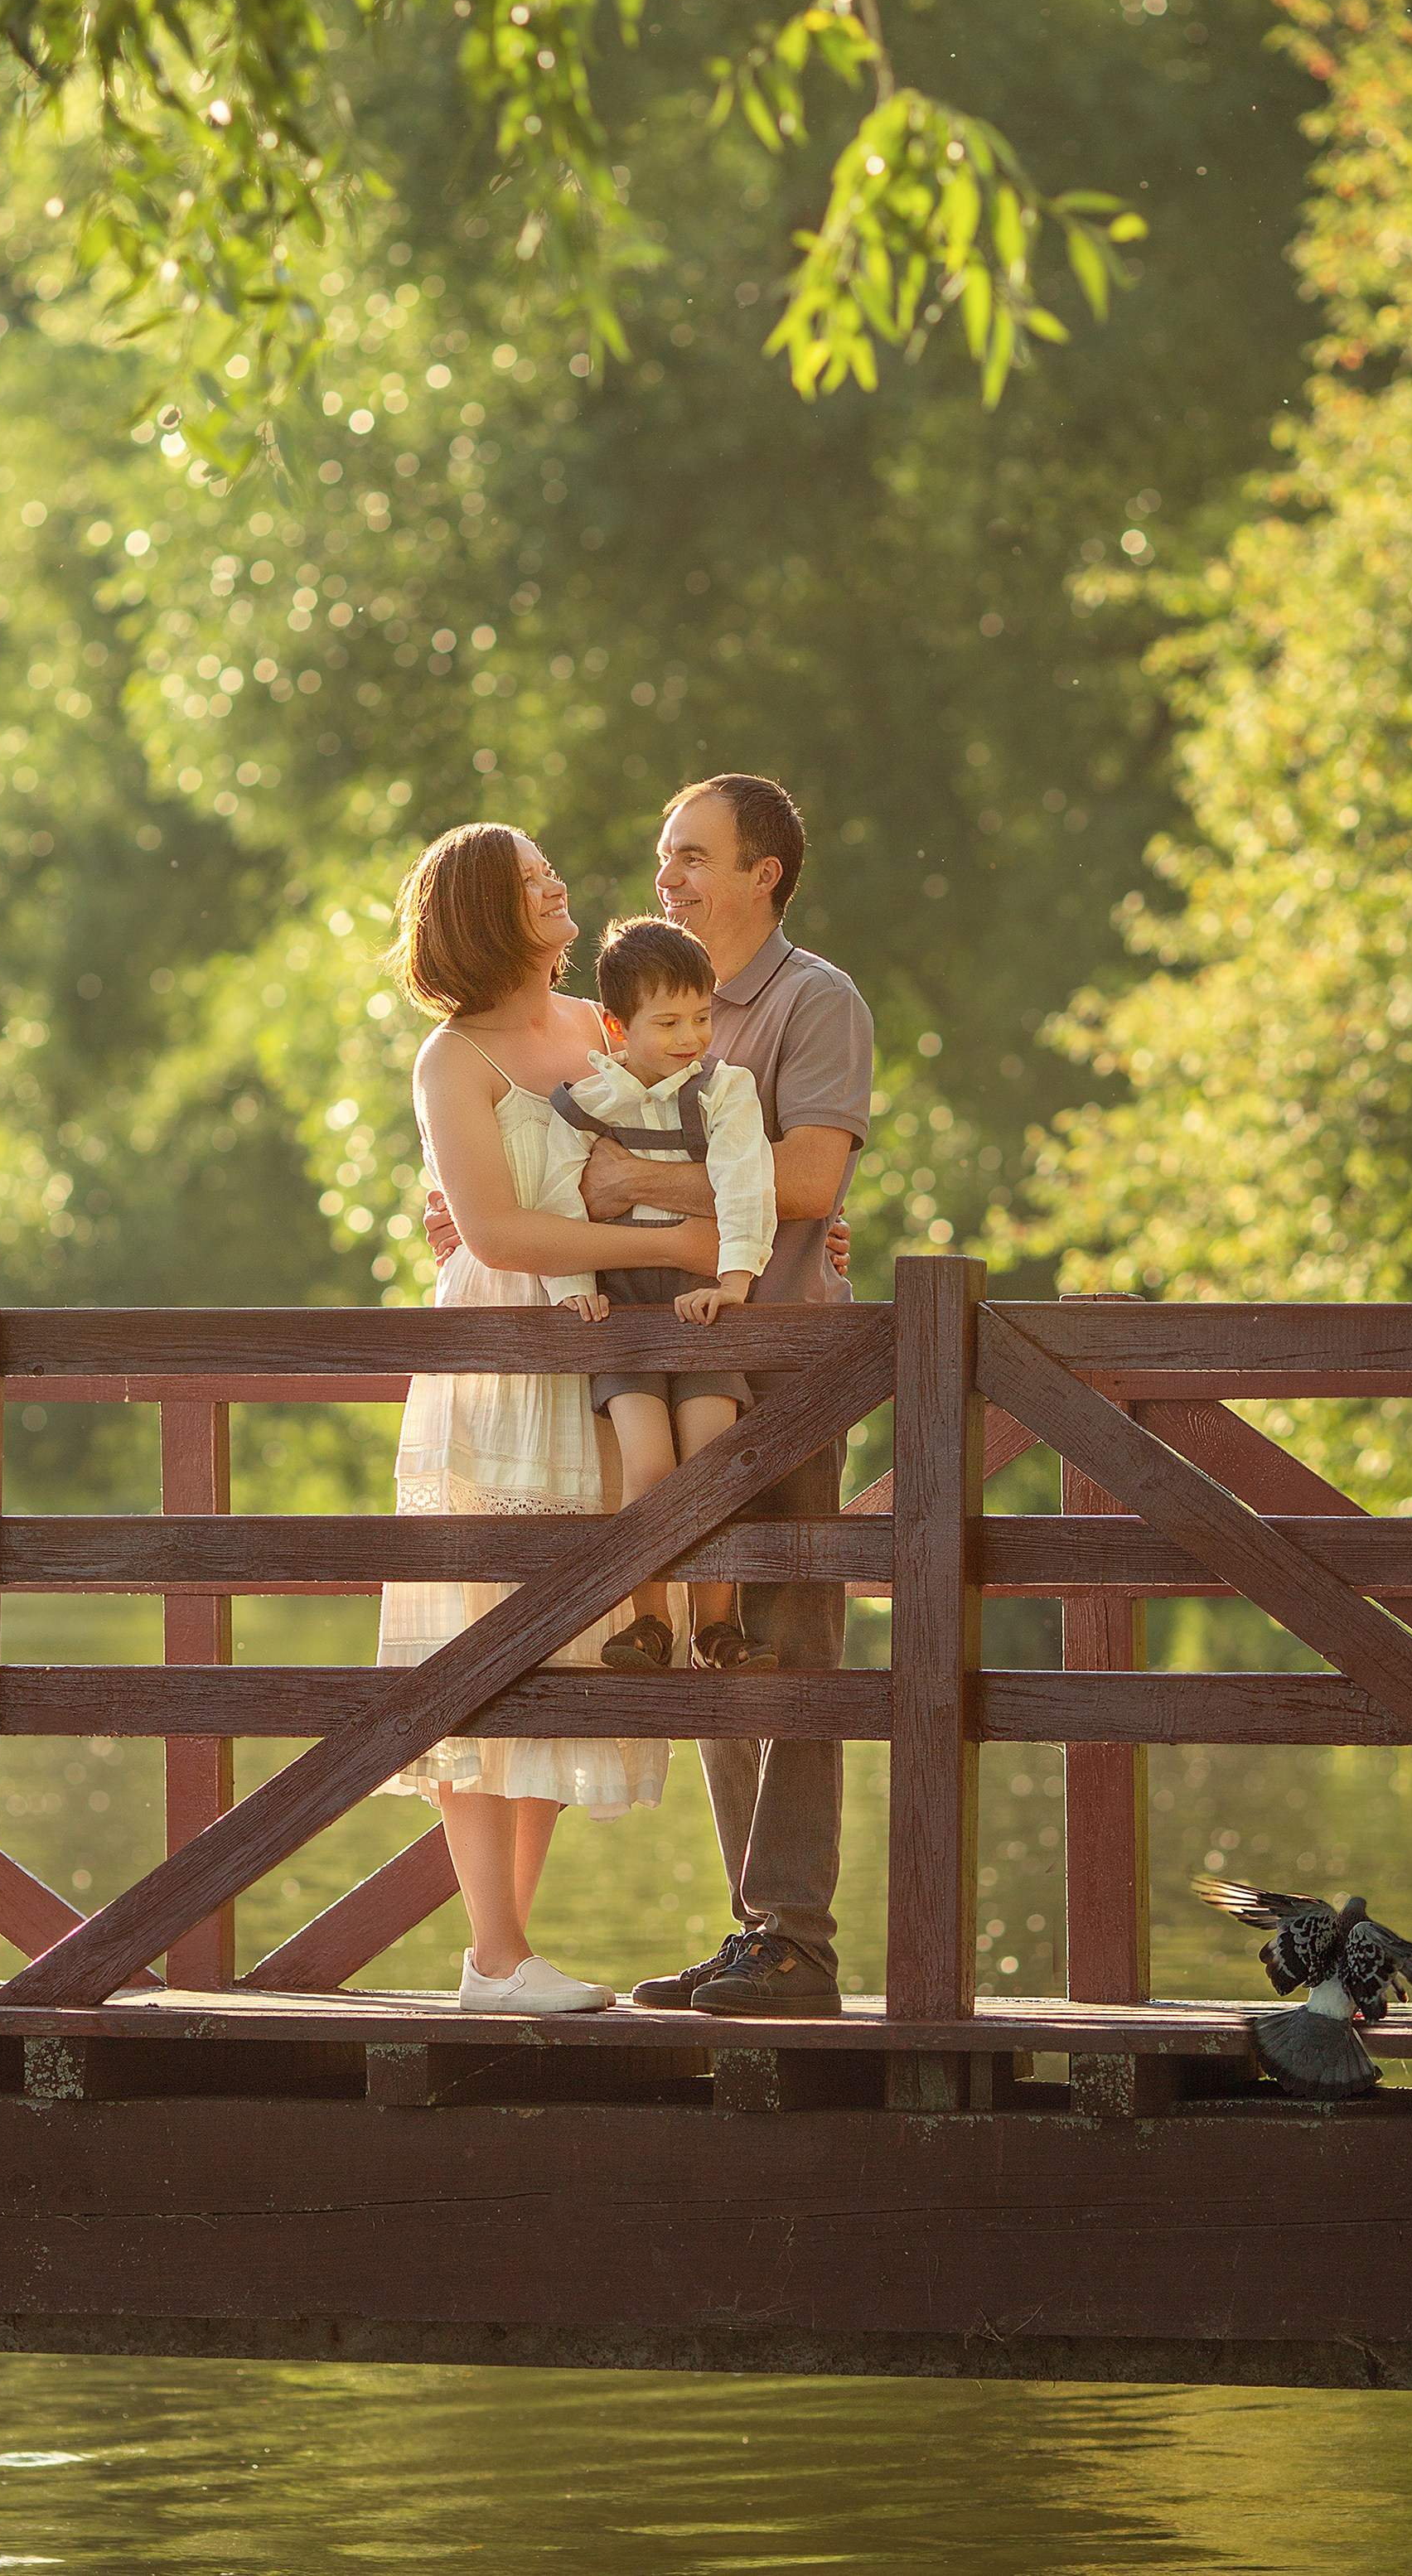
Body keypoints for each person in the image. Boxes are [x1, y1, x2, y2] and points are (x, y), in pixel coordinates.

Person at [423, 776, 873, 2018]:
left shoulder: (811, 1001)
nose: (661, 875)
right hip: (630, 1359)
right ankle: (751, 1936)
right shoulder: (637, 1003)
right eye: (664, 853)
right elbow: (540, 1151)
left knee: (794, 1649)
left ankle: (798, 1942)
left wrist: (644, 1197)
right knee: (708, 1646)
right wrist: (477, 1216)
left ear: (761, 873)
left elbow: (804, 1177)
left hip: (774, 1361)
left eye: (691, 856)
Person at [376, 821, 723, 2018]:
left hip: (601, 1339)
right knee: (485, 1648)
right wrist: (673, 1240)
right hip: (501, 1347)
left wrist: (769, 1227)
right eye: (531, 881)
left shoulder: (596, 1026)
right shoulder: (452, 1058)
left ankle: (503, 1959)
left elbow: (687, 1140)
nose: (558, 885)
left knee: (568, 1640)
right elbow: (497, 1233)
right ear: (484, 912)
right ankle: (495, 1954)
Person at [539, 914, 777, 1678]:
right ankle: (648, 1621)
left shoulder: (724, 1091)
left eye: (702, 1017)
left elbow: (747, 1180)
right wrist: (575, 1287)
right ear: (616, 1025)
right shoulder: (586, 1100)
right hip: (622, 1305)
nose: (690, 1037)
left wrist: (735, 1279)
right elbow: (557, 1197)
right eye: (668, 1021)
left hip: (703, 1296)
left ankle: (715, 1625)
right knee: (647, 1468)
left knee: (711, 1456)